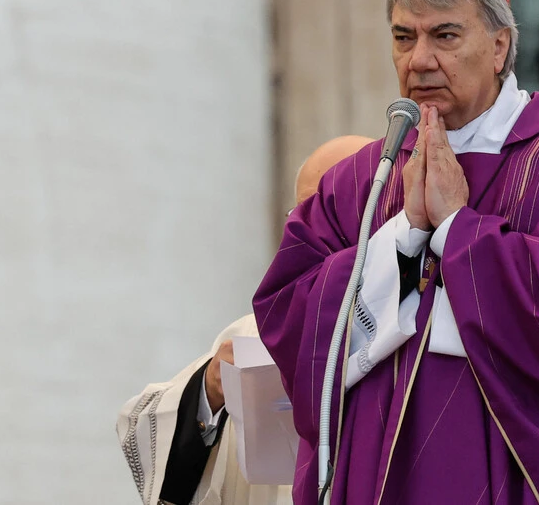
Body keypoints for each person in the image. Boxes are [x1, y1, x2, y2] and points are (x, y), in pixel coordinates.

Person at [252, 0, 539, 504]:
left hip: (507, 470)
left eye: (444, 36)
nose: (418, 60)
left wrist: (458, 229)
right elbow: (287, 312)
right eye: (402, 38)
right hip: (373, 470)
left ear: (499, 48)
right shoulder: (358, 181)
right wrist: (404, 234)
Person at [117, 135, 374, 505]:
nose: (313, 231)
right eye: (303, 215)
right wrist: (210, 392)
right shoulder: (261, 329)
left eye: (333, 212)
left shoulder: (426, 321)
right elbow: (145, 424)